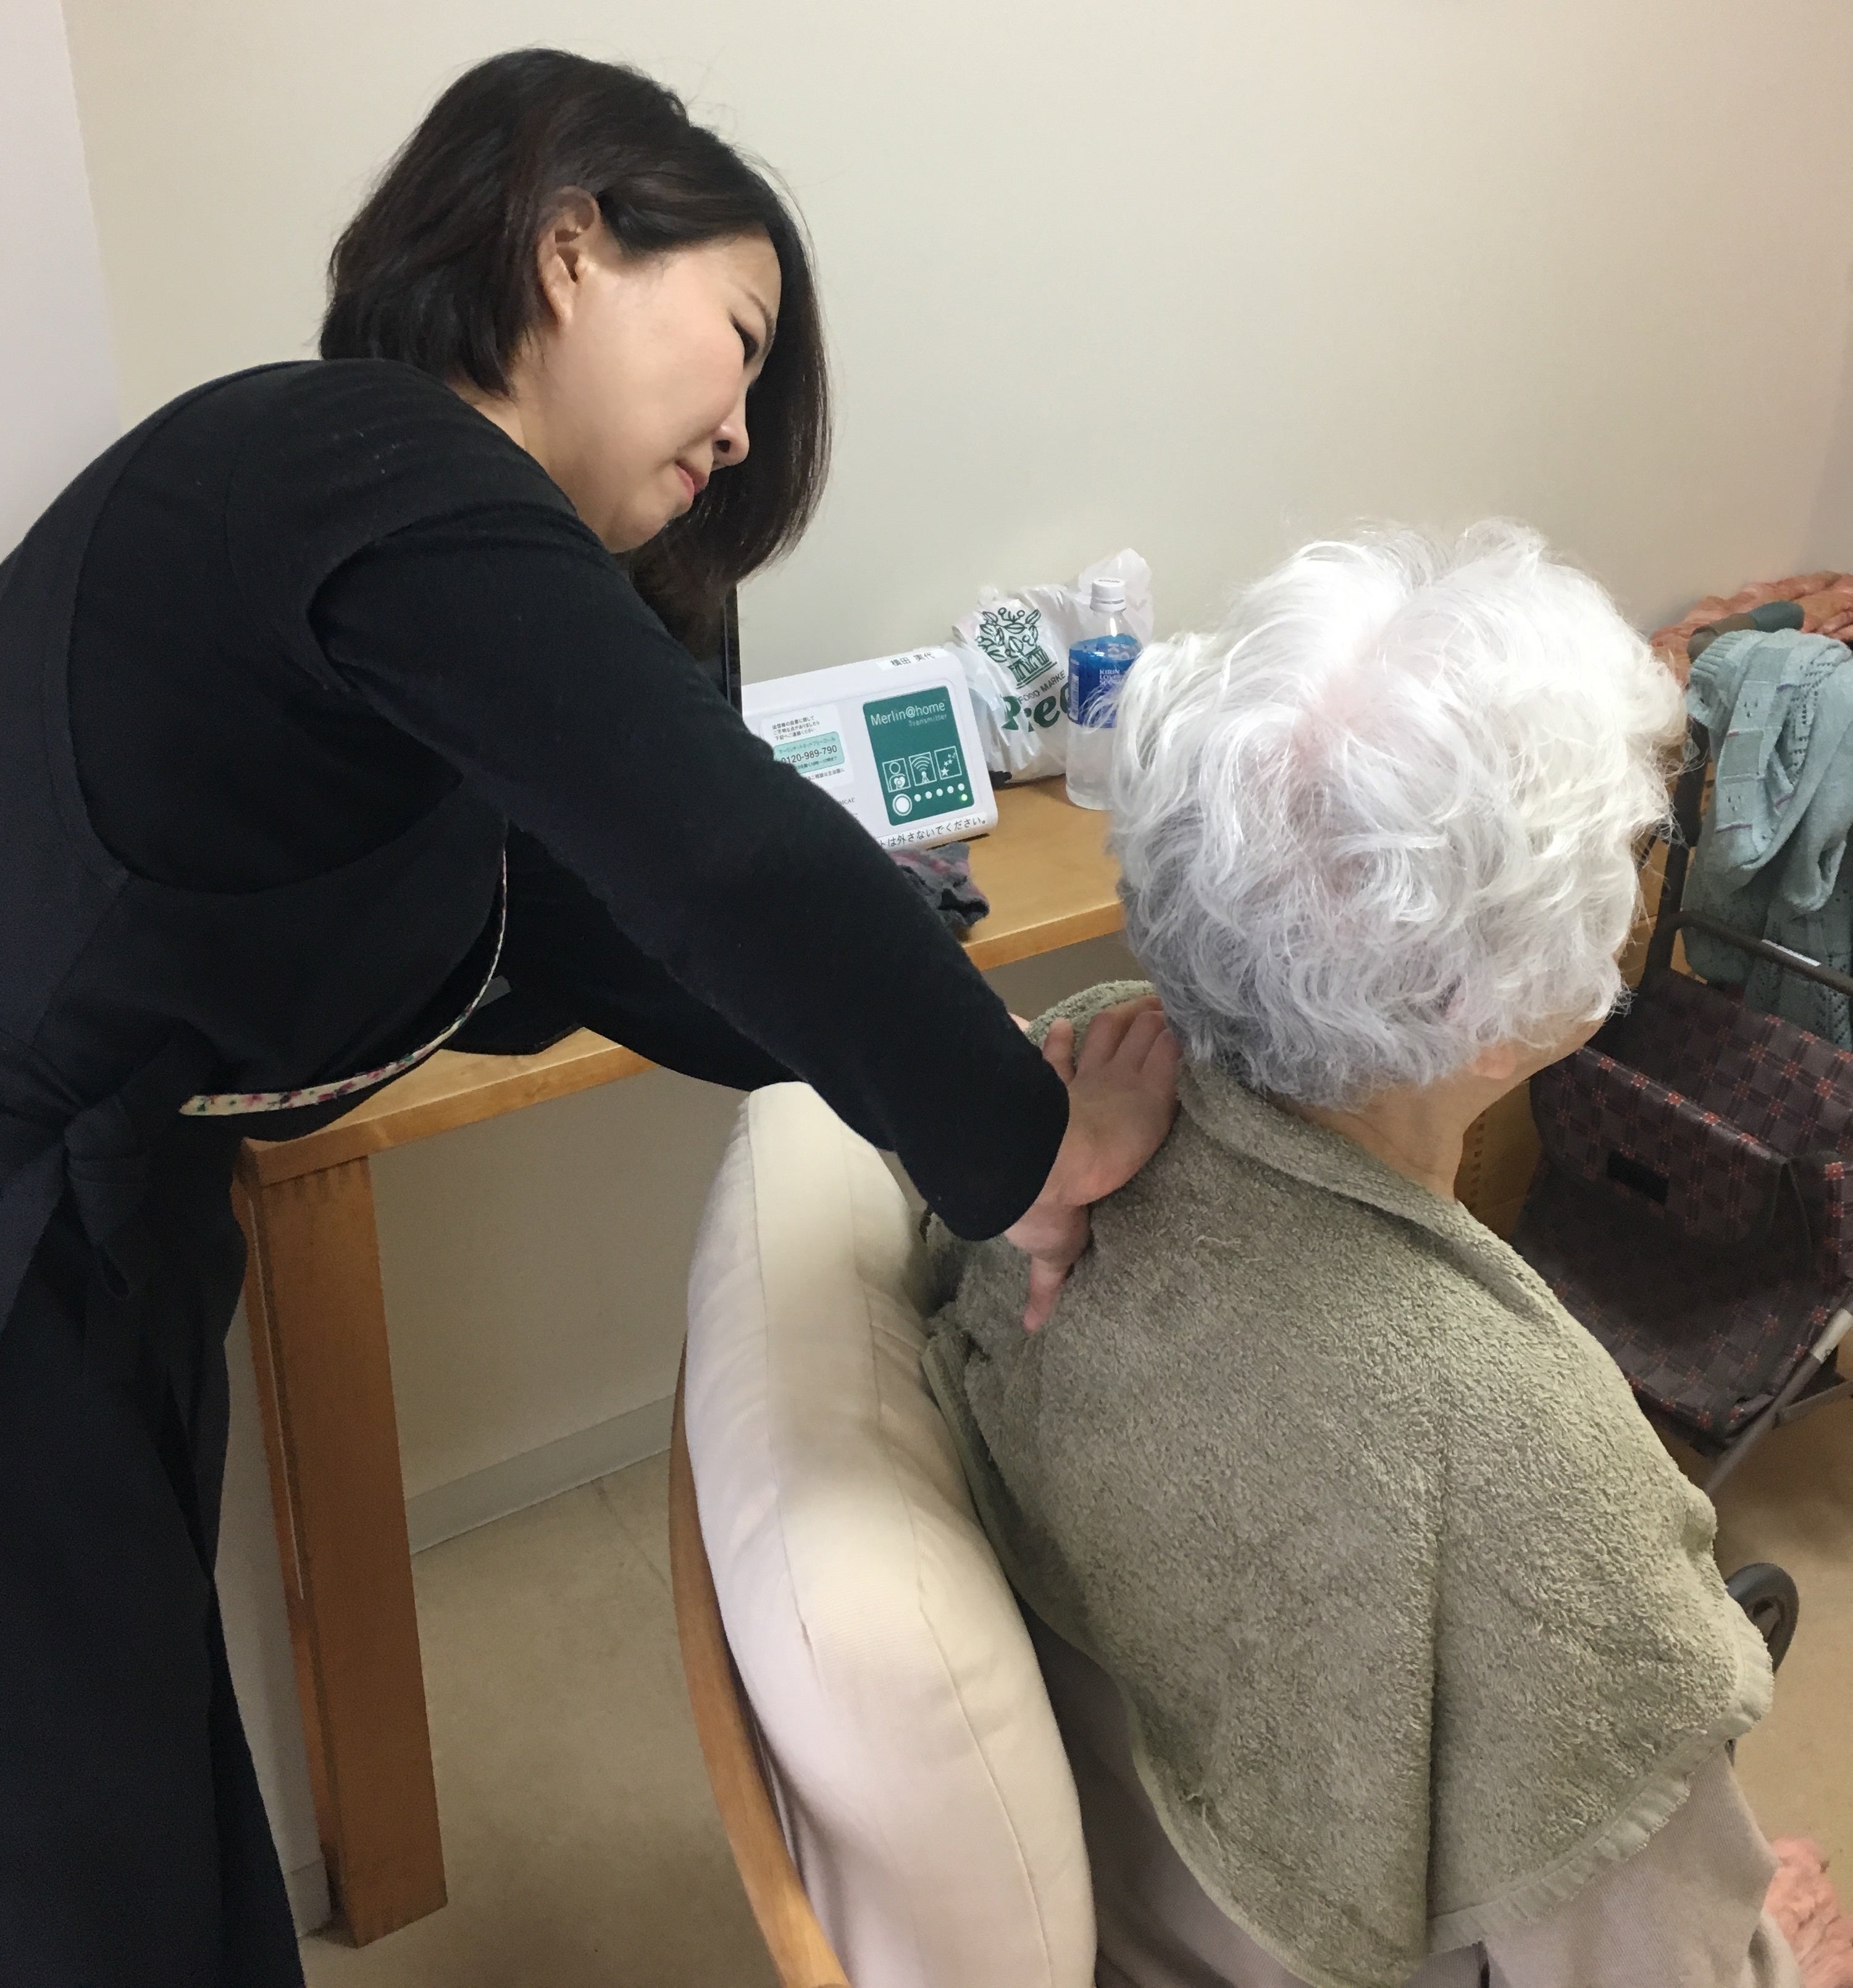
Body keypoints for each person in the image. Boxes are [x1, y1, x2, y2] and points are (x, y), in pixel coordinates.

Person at [0, 48, 1177, 1987]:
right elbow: (722, 861)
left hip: (108, 1236)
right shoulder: (363, 459)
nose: (741, 428)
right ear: (567, 248)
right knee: (80, 1860)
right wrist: (1031, 1146)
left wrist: (968, 1099)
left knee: (128, 1792)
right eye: (740, 338)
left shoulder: (415, 610)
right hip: (33, 1238)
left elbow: (642, 936)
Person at [923, 526, 1810, 1987]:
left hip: (1129, 1867)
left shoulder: (1067, 1094)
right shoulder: (1518, 1461)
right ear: (1487, 1010)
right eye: (1625, 855)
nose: (1633, 887)